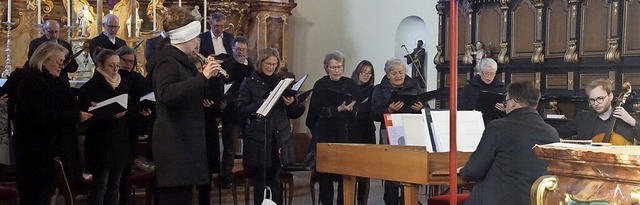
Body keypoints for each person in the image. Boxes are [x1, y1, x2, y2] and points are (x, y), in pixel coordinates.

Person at [145, 6, 221, 204]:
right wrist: (202, 76)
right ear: (184, 37)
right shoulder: (167, 62)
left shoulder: (183, 62)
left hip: (185, 141)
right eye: (196, 38)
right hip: (174, 143)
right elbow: (166, 94)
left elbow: (199, 92)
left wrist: (211, 77)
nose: (198, 43)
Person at [13, 42, 92, 205]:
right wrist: (76, 115)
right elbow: (42, 116)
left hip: (51, 150)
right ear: (43, 60)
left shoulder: (53, 82)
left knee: (48, 194)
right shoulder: (31, 82)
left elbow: (65, 102)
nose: (61, 66)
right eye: (58, 62)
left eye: (63, 62)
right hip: (36, 153)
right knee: (36, 197)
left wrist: (87, 104)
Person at [458, 80, 560, 204]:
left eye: (505, 101)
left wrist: (462, 171)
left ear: (512, 102)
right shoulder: (551, 133)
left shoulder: (498, 127)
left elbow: (474, 170)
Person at [237, 48, 305, 205]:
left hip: (278, 137)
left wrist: (292, 105)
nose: (271, 67)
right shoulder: (249, 83)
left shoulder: (282, 82)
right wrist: (263, 102)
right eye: (268, 63)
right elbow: (241, 110)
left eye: (275, 64)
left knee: (275, 179)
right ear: (260, 63)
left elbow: (293, 113)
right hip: (259, 139)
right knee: (261, 180)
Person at [78, 48, 131, 205]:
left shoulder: (123, 85)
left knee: (115, 185)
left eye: (117, 65)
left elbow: (130, 106)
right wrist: (103, 112)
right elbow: (83, 119)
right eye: (111, 65)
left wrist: (126, 111)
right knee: (100, 185)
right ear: (100, 65)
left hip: (119, 141)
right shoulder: (89, 87)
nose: (115, 69)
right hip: (100, 143)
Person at [305, 51, 360, 205]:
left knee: (346, 175)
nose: (337, 70)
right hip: (326, 135)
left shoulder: (350, 84)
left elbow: (358, 108)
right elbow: (315, 113)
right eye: (333, 67)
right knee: (325, 176)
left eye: (340, 67)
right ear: (326, 68)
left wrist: (352, 109)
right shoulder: (321, 85)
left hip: (347, 135)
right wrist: (337, 110)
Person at [370, 58, 425, 205]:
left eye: (400, 72)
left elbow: (425, 110)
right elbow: (374, 113)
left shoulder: (415, 86)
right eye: (394, 73)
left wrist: (421, 109)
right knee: (391, 169)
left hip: (411, 131)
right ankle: (391, 200)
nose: (398, 76)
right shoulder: (379, 89)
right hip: (388, 131)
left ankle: (409, 200)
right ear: (388, 75)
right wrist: (388, 110)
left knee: (410, 168)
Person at [555, 79, 640, 143]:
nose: (596, 103)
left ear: (610, 96)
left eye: (600, 98)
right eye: (592, 100)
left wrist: (633, 122)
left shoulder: (628, 118)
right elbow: (557, 132)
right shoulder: (583, 118)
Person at [218, 36, 253, 187]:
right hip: (231, 111)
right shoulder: (225, 65)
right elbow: (219, 86)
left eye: (243, 50)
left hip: (247, 111)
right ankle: (226, 178)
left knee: (250, 146)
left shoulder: (252, 66)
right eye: (238, 49)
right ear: (232, 49)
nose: (241, 52)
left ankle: (248, 176)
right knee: (230, 148)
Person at [114, 46, 148, 205]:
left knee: (128, 166)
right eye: (124, 60)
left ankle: (125, 199)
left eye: (131, 62)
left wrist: (147, 109)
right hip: (117, 127)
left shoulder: (138, 78)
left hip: (133, 127)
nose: (128, 64)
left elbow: (146, 96)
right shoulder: (114, 77)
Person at [349, 60, 376, 205]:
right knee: (351, 171)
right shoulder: (348, 86)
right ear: (357, 72)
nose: (366, 75)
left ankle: (362, 203)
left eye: (369, 73)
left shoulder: (373, 90)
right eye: (363, 72)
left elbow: (373, 110)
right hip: (352, 131)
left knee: (366, 172)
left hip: (367, 131)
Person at [27, 20, 79, 84]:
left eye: (56, 32)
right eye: (50, 32)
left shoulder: (65, 45)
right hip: (42, 81)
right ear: (44, 30)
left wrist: (64, 64)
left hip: (61, 82)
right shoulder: (36, 44)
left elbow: (74, 67)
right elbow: (33, 64)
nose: (54, 35)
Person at [458, 58, 506, 125]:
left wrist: (504, 109)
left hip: (495, 124)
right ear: (480, 73)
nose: (489, 76)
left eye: (492, 73)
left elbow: (509, 110)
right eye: (486, 73)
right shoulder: (470, 88)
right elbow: (461, 108)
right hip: (474, 123)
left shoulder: (502, 88)